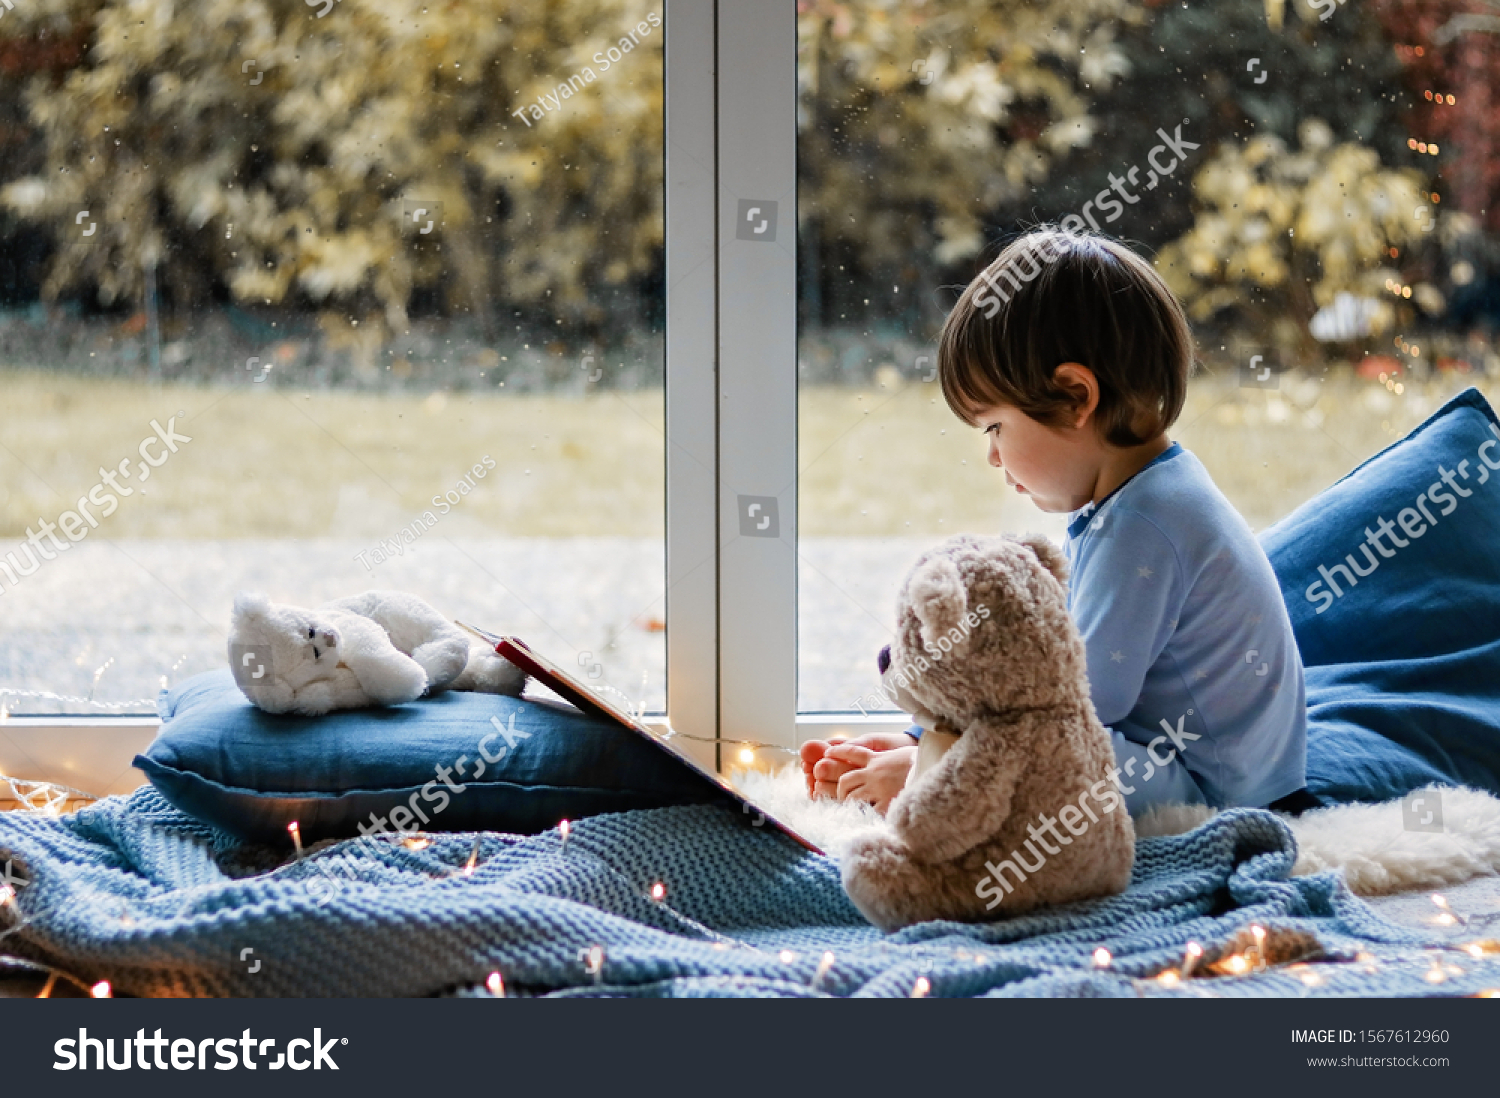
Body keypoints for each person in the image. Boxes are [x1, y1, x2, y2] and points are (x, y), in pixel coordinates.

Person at [802, 228, 1308, 817]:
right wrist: (926, 734)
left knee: (1046, 750)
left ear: (1074, 397)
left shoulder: (1144, 524)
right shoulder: (1146, 494)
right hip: (1210, 766)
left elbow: (1075, 704)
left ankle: (933, 777)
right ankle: (928, 758)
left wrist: (941, 759)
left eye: (995, 427)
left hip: (1212, 790)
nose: (993, 456)